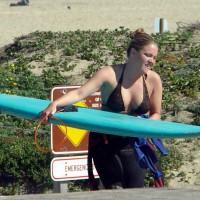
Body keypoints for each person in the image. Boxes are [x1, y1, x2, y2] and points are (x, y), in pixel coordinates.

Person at [40, 28, 167, 190]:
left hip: (134, 143)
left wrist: (146, 125)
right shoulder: (110, 74)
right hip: (106, 143)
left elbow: (156, 113)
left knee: (136, 191)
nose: (152, 61)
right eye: (148, 55)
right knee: (115, 190)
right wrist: (55, 104)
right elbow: (80, 92)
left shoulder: (154, 80)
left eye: (154, 57)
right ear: (133, 53)